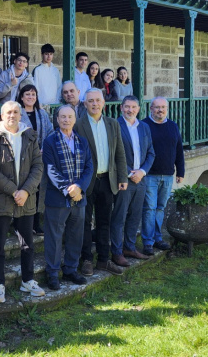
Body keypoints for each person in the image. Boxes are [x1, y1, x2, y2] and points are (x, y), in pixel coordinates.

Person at [0, 101, 45, 303]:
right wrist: (13, 190)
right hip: (2, 198)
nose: (12, 115)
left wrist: (25, 191)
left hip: (25, 199)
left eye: (16, 112)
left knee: (27, 244)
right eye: (8, 112)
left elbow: (38, 166)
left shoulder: (30, 136)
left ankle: (28, 280)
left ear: (20, 115)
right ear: (2, 115)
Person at [74, 88, 128, 276]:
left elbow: (119, 152)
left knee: (105, 222)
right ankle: (87, 259)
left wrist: (122, 177)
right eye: (90, 101)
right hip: (87, 182)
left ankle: (104, 260)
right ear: (85, 104)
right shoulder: (78, 125)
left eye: (98, 100)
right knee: (85, 222)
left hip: (107, 180)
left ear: (103, 102)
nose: (95, 104)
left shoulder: (113, 124)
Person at [42, 106, 93, 290]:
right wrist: (68, 189)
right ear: (57, 120)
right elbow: (50, 169)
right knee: (54, 237)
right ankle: (53, 273)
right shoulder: (49, 142)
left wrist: (79, 187)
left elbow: (89, 167)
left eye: (69, 117)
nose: (66, 120)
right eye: (62, 117)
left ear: (75, 119)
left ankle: (71, 269)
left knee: (75, 235)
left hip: (79, 198)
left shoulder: (82, 141)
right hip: (57, 199)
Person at [110, 96, 155, 267]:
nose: (130, 110)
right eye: (127, 107)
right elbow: (112, 154)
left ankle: (129, 247)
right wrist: (129, 173)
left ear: (138, 108)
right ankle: (116, 252)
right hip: (124, 180)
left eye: (134, 107)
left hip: (141, 179)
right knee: (119, 216)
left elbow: (151, 152)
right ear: (121, 108)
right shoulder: (115, 126)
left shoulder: (144, 127)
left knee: (135, 216)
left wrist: (142, 172)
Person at [140, 97, 185, 255]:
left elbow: (179, 149)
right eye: (157, 107)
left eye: (163, 107)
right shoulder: (144, 125)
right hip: (150, 175)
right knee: (149, 209)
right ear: (151, 108)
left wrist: (181, 171)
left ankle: (157, 238)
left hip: (167, 175)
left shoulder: (173, 126)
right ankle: (147, 242)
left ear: (167, 108)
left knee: (160, 208)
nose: (160, 110)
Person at [17, 84, 53, 235]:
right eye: (27, 94)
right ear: (22, 97)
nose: (31, 97)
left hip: (40, 158)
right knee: (25, 188)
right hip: (23, 158)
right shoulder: (17, 113)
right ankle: (20, 224)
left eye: (33, 94)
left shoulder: (42, 114)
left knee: (38, 191)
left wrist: (45, 147)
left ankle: (36, 224)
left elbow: (51, 132)